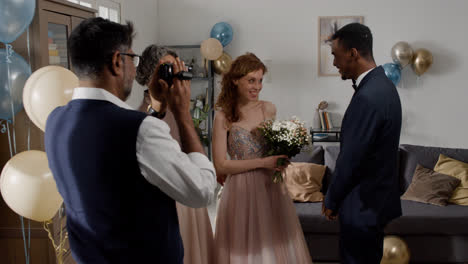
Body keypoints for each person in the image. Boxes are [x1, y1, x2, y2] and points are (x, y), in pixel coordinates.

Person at [44, 17, 216, 264]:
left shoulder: (55, 121)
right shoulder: (139, 128)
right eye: (132, 59)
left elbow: (121, 168)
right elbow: (202, 192)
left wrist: (156, 110)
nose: (135, 70)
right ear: (117, 61)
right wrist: (183, 115)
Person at [212, 52, 312, 263]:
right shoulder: (222, 116)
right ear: (235, 80)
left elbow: (273, 151)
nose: (257, 86)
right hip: (239, 191)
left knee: (273, 248)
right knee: (244, 250)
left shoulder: (268, 109)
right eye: (251, 80)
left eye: (260, 81)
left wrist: (280, 160)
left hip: (270, 188)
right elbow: (220, 165)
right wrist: (263, 163)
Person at [322, 23, 402, 264]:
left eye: (335, 55)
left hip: (362, 204)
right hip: (375, 202)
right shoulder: (383, 86)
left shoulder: (369, 96)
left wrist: (332, 199)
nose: (334, 63)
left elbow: (352, 157)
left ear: (353, 53)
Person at [136, 44, 214, 264]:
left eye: (175, 69)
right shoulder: (142, 119)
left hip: (190, 185)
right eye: (166, 70)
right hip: (167, 196)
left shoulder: (181, 111)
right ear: (149, 75)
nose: (171, 76)